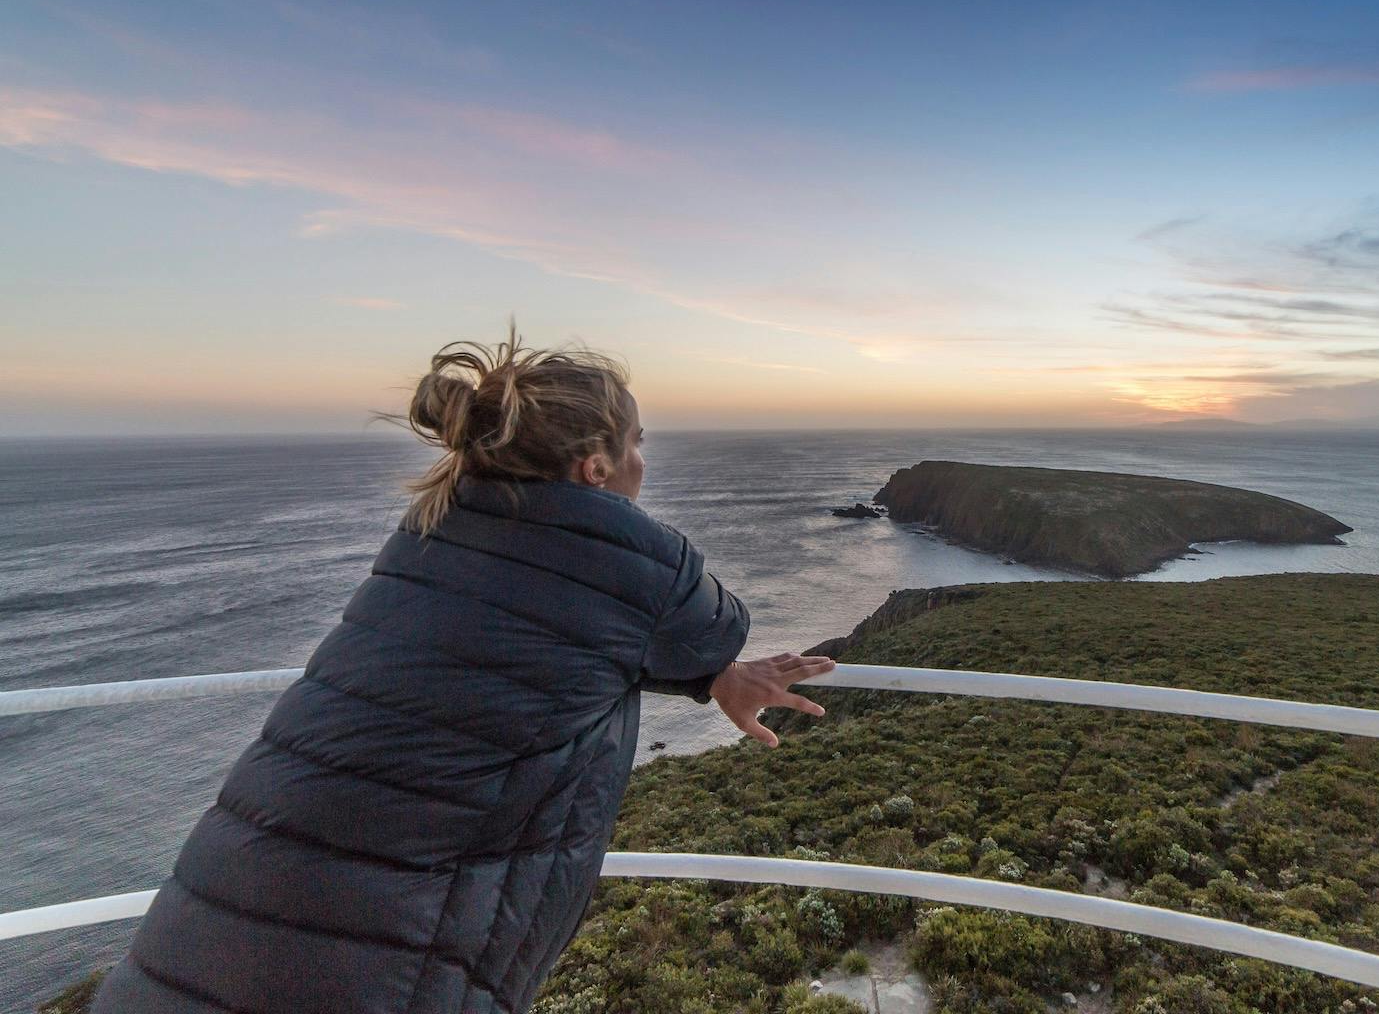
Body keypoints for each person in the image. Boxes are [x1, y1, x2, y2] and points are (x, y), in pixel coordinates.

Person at [92, 329, 835, 1014]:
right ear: (596, 465)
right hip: (385, 958)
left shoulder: (430, 527)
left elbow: (562, 635)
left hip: (206, 918)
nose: (644, 461)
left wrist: (712, 675)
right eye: (636, 443)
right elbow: (711, 626)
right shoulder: (641, 562)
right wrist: (718, 672)